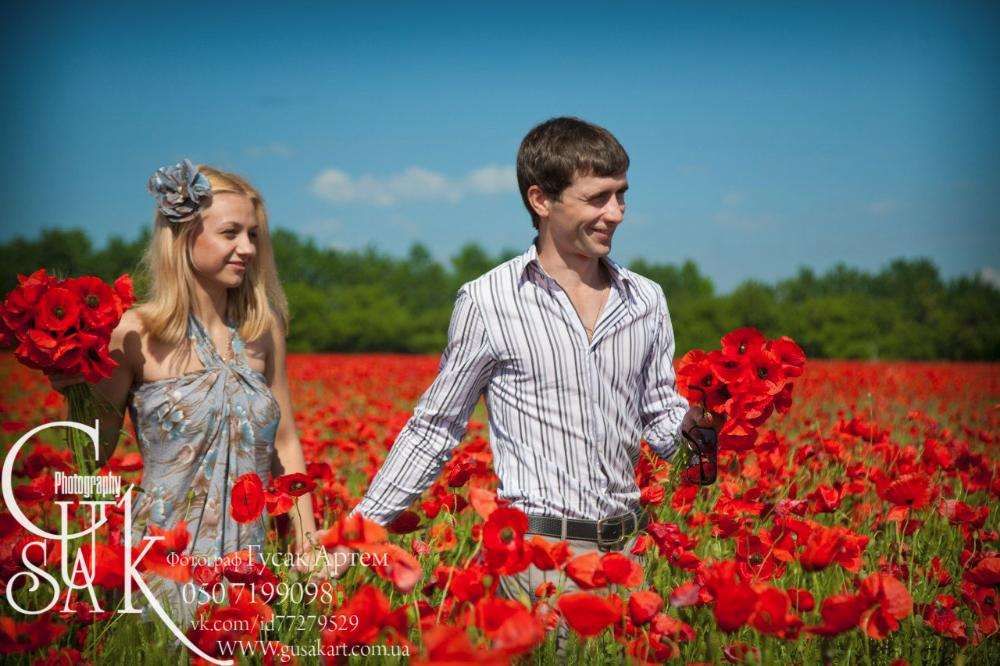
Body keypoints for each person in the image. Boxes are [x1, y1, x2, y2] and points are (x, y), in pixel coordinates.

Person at [347, 117, 720, 650]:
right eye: (597, 199)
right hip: (535, 565)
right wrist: (358, 530)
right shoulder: (488, 301)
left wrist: (713, 416)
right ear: (541, 200)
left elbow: (661, 417)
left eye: (621, 196)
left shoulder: (647, 300)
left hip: (629, 561)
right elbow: (434, 429)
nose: (615, 214)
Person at [48, 160, 344, 625]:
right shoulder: (134, 333)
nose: (246, 248)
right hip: (161, 562)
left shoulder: (262, 331)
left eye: (253, 236)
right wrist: (76, 388)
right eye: (230, 233)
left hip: (248, 562)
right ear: (184, 236)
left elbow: (285, 440)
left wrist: (307, 543)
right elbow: (95, 451)